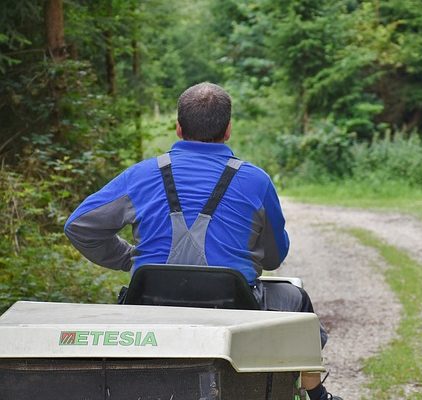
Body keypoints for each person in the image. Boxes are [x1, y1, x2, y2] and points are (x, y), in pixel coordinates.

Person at [64, 82, 340, 400]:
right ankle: (316, 393)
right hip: (238, 311)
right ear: (228, 130)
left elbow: (79, 227)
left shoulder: (140, 175)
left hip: (149, 308)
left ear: (179, 128)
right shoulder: (256, 181)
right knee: (297, 300)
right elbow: (274, 260)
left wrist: (129, 258)